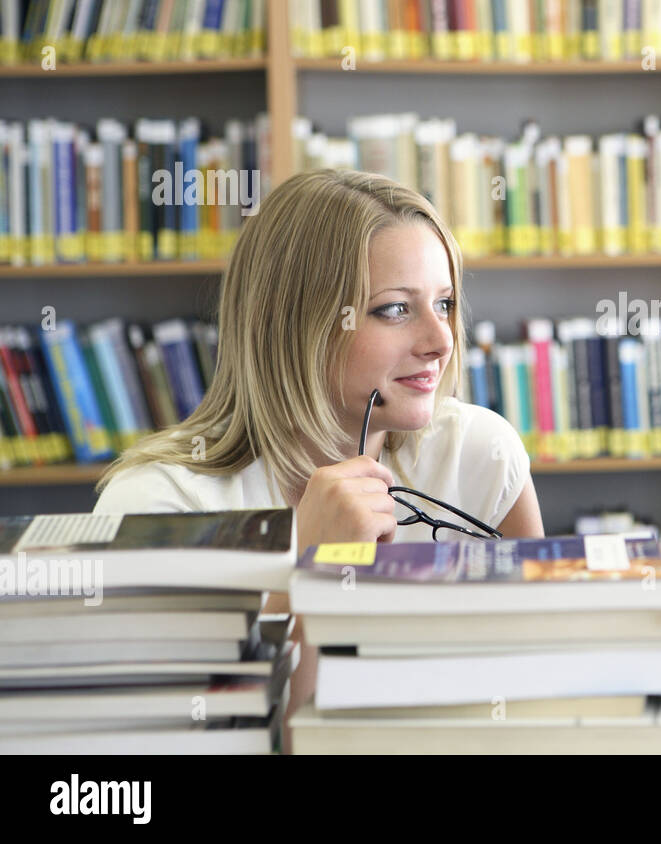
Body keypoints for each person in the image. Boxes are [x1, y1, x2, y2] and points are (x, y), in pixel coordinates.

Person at [93, 168, 544, 745]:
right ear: (297, 323)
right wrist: (300, 566)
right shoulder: (158, 503)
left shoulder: (480, 453)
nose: (441, 339)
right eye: (395, 310)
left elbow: (542, 695)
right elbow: (167, 742)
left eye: (445, 302)